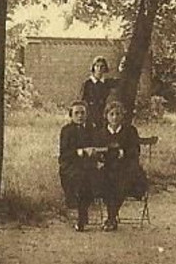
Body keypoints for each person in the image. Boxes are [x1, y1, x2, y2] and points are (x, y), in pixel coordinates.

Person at [98, 100, 148, 231]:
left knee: (122, 180)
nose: (115, 117)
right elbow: (98, 151)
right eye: (112, 114)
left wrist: (123, 152)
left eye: (118, 114)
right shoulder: (101, 132)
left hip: (126, 167)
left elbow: (135, 151)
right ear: (106, 116)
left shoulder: (130, 131)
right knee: (105, 179)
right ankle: (112, 217)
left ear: (122, 116)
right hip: (108, 167)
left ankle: (111, 217)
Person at [58, 100, 104, 232]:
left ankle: (83, 216)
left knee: (92, 177)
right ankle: (81, 216)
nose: (80, 116)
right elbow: (64, 153)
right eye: (76, 113)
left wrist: (95, 152)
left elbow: (97, 146)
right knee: (81, 178)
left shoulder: (92, 128)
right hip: (71, 165)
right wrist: (79, 151)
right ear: (71, 115)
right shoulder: (66, 130)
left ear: (87, 114)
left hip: (89, 165)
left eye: (82, 113)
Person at [78, 57, 118, 130]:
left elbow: (122, 82)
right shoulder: (87, 84)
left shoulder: (107, 83)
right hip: (91, 115)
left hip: (103, 114)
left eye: (102, 66)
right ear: (93, 68)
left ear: (105, 68)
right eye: (97, 66)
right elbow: (82, 102)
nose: (99, 68)